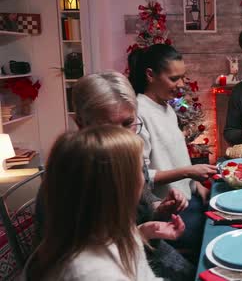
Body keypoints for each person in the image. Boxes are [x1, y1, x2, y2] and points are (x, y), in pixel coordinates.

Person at [35, 72, 196, 280]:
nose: (125, 137)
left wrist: (159, 209)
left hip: (138, 247)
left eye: (128, 123)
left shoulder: (127, 152)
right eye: (110, 128)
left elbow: (141, 207)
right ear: (81, 123)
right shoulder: (71, 184)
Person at [26, 126, 162, 280]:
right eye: (139, 170)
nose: (144, 179)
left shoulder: (120, 231)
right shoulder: (93, 273)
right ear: (118, 188)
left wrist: (141, 232)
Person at [127, 44, 217, 260]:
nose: (181, 85)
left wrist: (197, 187)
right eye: (174, 78)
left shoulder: (167, 107)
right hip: (168, 213)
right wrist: (188, 172)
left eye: (183, 77)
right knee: (213, 237)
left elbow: (175, 157)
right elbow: (144, 176)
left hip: (189, 201)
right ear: (150, 75)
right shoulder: (139, 114)